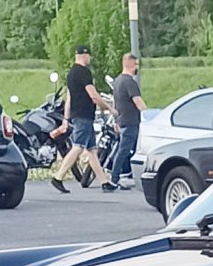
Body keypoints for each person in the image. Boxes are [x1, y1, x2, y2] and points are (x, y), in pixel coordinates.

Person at [48, 45, 112, 193]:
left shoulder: (71, 74)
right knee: (78, 147)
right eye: (89, 56)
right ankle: (58, 177)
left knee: (92, 151)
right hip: (84, 116)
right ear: (85, 55)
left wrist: (66, 118)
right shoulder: (83, 72)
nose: (89, 58)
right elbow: (93, 95)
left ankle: (104, 182)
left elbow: (69, 99)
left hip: (79, 115)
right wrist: (109, 108)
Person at [108, 53, 147, 191]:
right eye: (136, 64)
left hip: (122, 120)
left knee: (123, 150)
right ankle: (114, 178)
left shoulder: (118, 81)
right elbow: (138, 101)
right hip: (131, 122)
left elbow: (115, 103)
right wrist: (148, 114)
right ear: (130, 64)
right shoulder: (130, 82)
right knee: (124, 150)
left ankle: (122, 176)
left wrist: (116, 120)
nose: (137, 67)